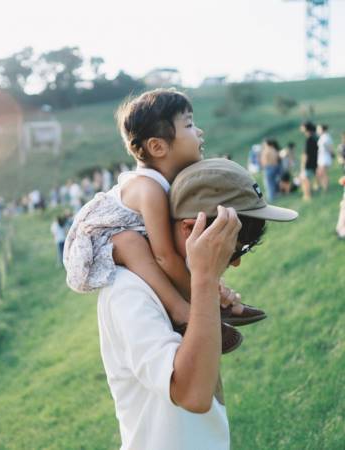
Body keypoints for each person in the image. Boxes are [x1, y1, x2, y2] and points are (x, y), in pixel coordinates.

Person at [97, 158, 298, 450]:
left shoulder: (180, 279)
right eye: (235, 248)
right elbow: (192, 394)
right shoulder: (128, 292)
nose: (237, 262)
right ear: (193, 229)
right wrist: (204, 278)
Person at [64, 89, 266, 354]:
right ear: (158, 146)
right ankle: (183, 312)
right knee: (132, 244)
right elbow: (164, 257)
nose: (200, 132)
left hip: (123, 236)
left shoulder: (167, 182)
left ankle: (219, 299)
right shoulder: (150, 189)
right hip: (93, 243)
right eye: (190, 125)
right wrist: (200, 295)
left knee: (158, 248)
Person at [300, 121, 318, 201]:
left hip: (308, 163)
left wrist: (303, 165)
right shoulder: (315, 137)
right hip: (314, 161)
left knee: (304, 179)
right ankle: (309, 194)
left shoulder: (309, 139)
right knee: (309, 179)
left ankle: (307, 195)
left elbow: (306, 154)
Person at [316, 124, 334, 192]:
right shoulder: (322, 137)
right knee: (319, 172)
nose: (317, 130)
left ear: (322, 129)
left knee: (324, 173)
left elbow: (329, 147)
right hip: (321, 157)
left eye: (318, 129)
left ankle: (325, 188)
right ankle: (322, 186)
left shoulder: (326, 137)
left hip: (325, 157)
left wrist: (332, 154)